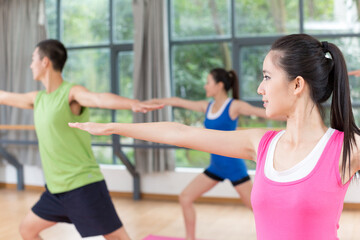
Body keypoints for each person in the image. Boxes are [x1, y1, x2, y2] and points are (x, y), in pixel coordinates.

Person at [69, 33, 360, 240]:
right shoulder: (261, 144)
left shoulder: (346, 149)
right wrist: (115, 127)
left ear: (297, 84)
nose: (260, 88)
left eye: (267, 77)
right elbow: (180, 133)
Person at [0, 39, 163, 240]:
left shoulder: (71, 93)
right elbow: (4, 96)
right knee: (27, 230)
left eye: (33, 59)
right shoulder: (38, 98)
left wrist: (133, 104)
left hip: (82, 186)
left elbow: (99, 99)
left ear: (45, 62)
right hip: (56, 190)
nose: (30, 64)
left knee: (117, 237)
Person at [145, 68, 274, 240]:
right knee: (185, 197)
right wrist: (156, 100)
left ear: (219, 85)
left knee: (258, 210)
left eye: (208, 82)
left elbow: (263, 113)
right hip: (216, 167)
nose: (205, 86)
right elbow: (179, 101)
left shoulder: (234, 106)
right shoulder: (207, 107)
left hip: (234, 167)